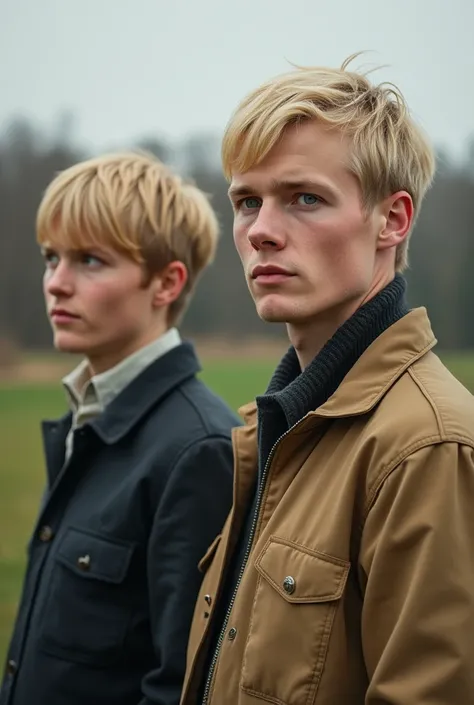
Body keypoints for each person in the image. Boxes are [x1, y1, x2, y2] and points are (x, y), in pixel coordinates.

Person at [180, 55, 474, 705]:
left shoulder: (426, 446)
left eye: (304, 198)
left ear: (392, 220)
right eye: (246, 201)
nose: (261, 232)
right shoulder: (275, 430)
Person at [1, 152, 239, 705]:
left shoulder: (197, 450)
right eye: (50, 258)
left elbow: (182, 685)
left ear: (165, 283)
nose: (56, 283)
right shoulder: (83, 420)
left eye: (89, 261)